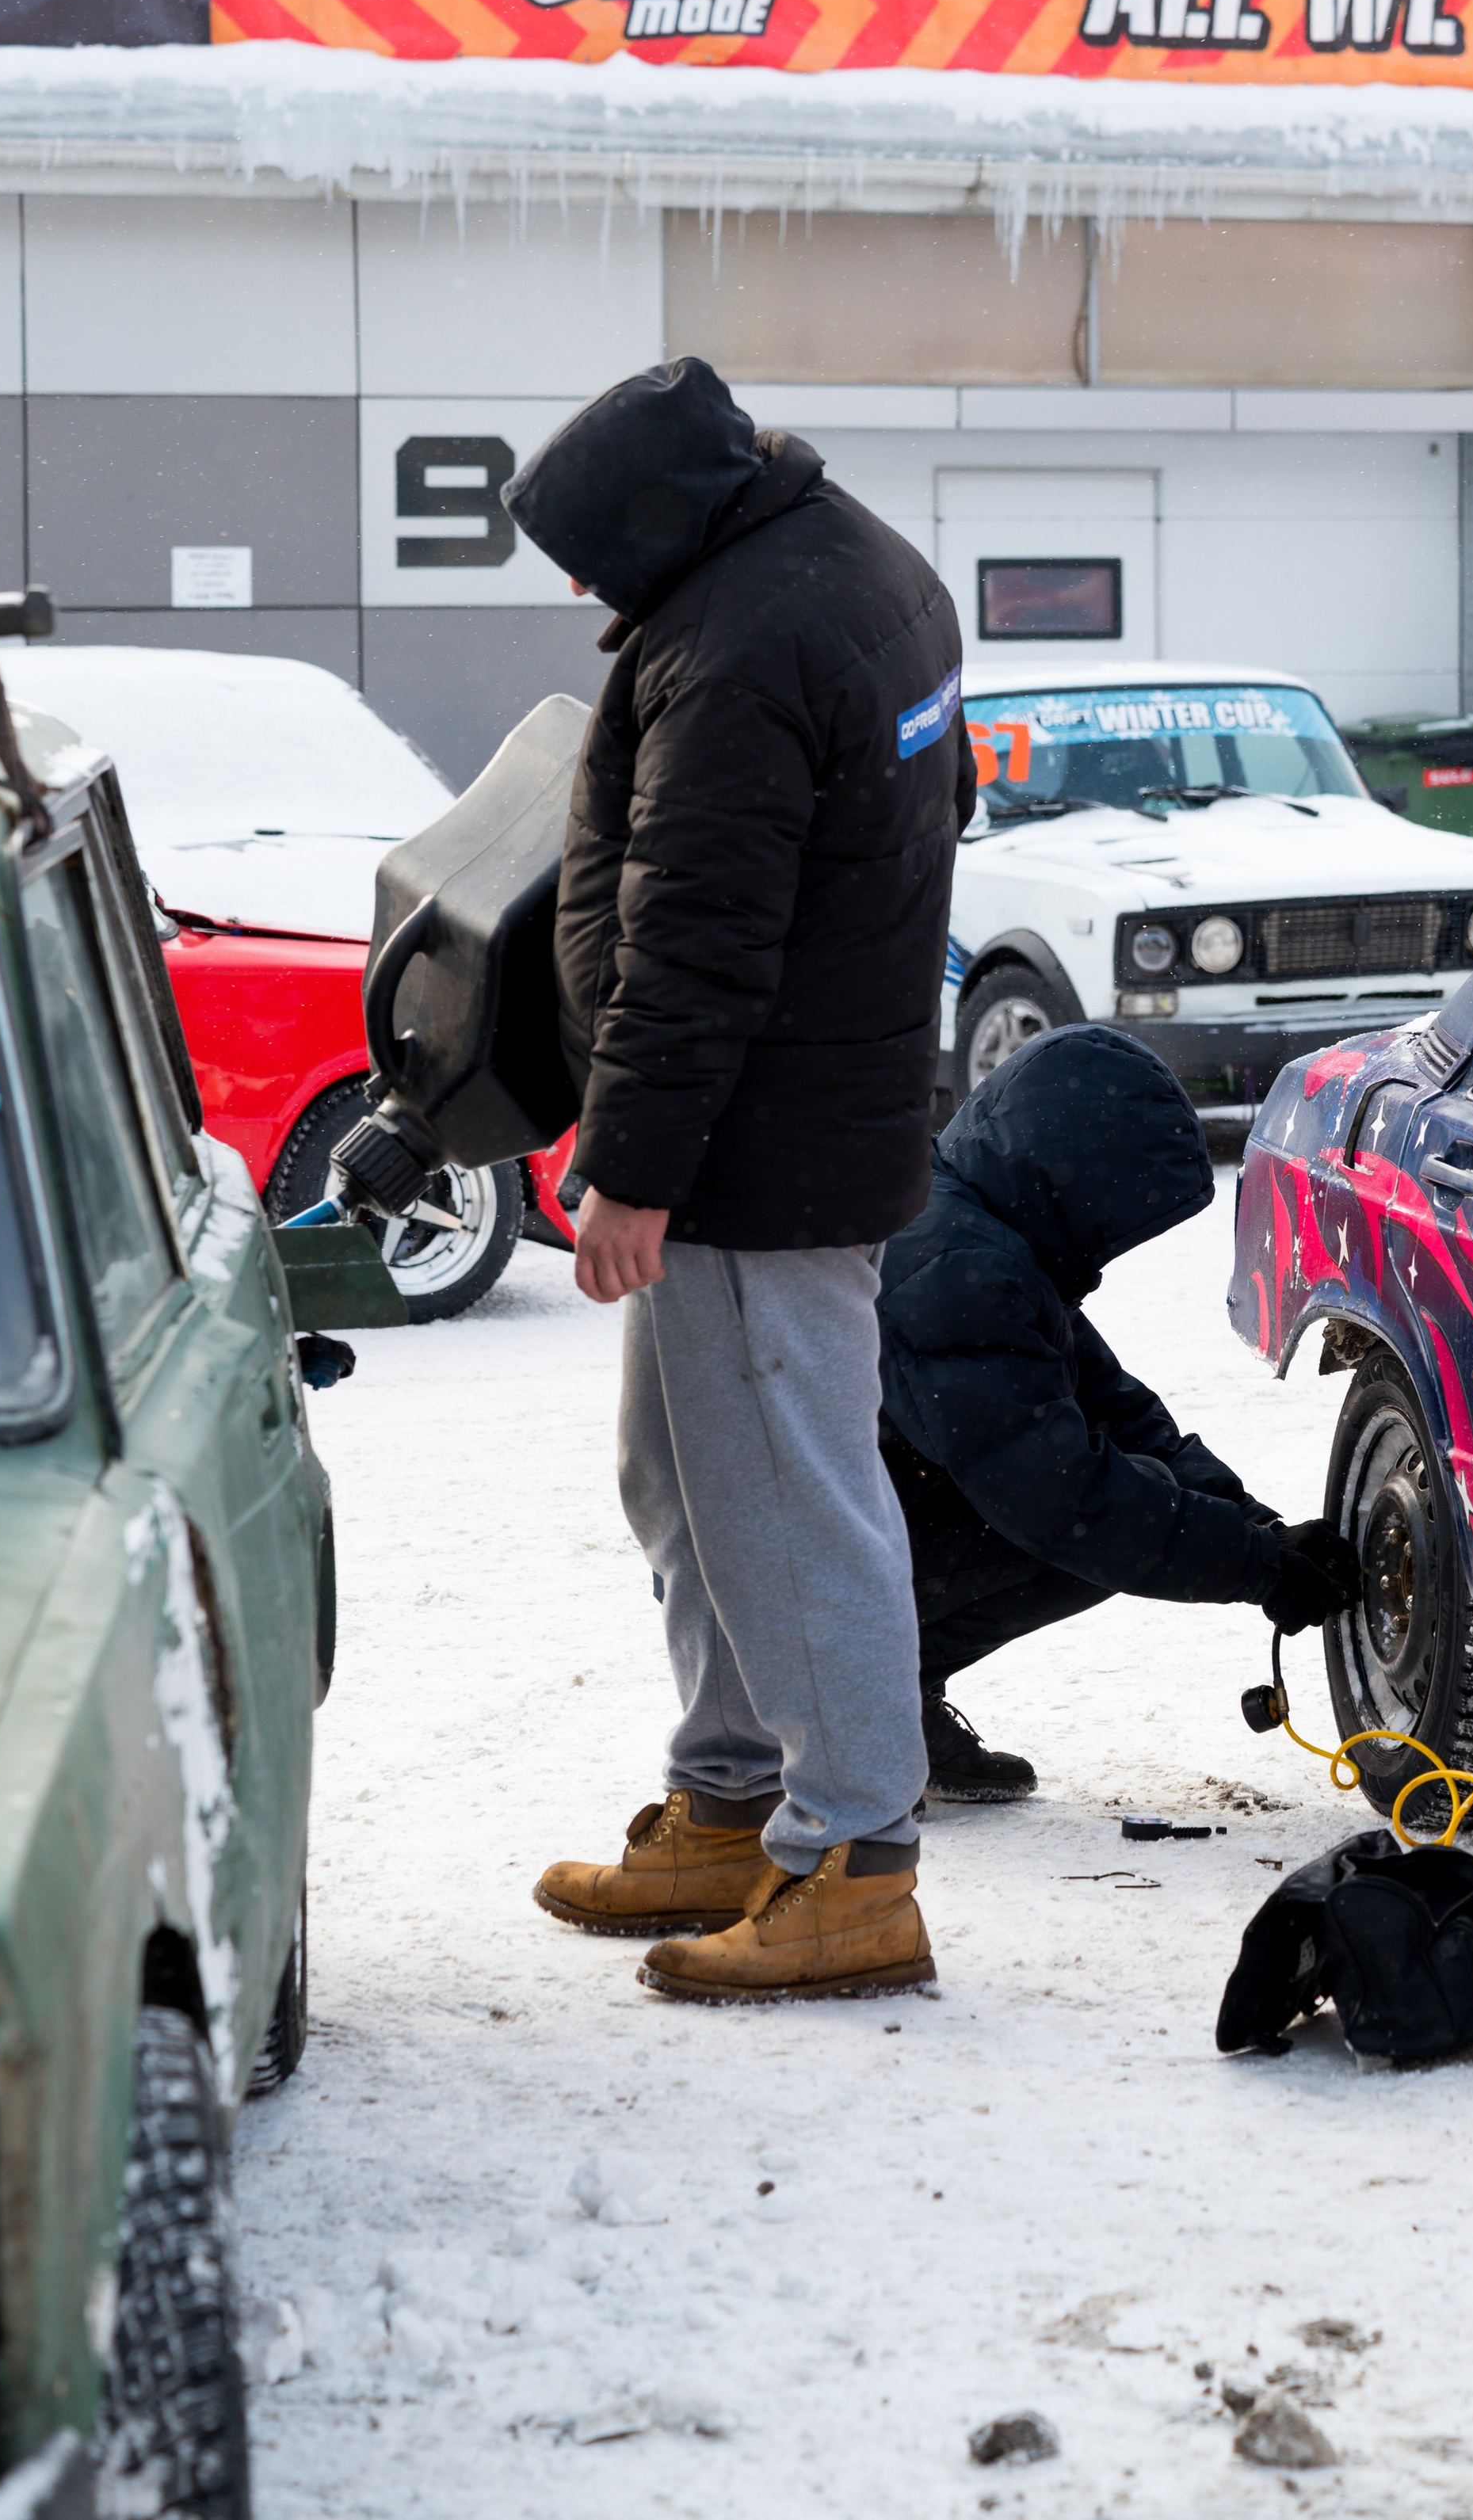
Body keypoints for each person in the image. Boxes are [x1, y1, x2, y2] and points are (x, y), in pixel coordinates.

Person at [505, 358, 975, 2007]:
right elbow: (936, 799)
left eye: (585, 551)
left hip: (748, 1154)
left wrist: (627, 1169)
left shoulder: (748, 641)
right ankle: (730, 1796)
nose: (577, 587)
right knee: (685, 1471)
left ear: (656, 518)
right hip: (785, 1120)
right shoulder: (850, 568)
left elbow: (696, 941)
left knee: (784, 1495)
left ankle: (854, 1860)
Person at [876, 1024, 1360, 1798]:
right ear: (1078, 1183)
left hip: (854, 1525)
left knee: (1116, 1504)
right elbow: (1069, 1500)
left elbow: (1120, 1413)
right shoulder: (961, 1273)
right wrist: (1257, 1568)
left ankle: (878, 1694)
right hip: (790, 1576)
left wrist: (1259, 1526)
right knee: (1085, 1529)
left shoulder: (985, 1227)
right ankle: (855, 1702)